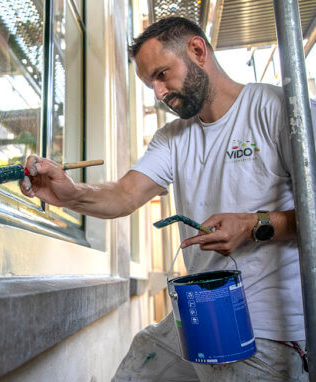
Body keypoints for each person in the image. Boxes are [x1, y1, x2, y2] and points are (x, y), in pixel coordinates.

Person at [20, 16, 311, 381]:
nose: (158, 93)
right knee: (141, 365)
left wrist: (255, 225)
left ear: (197, 50)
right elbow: (125, 194)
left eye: (161, 74)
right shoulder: (172, 137)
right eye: (149, 83)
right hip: (199, 315)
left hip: (267, 329)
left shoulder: (277, 109)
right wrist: (71, 194)